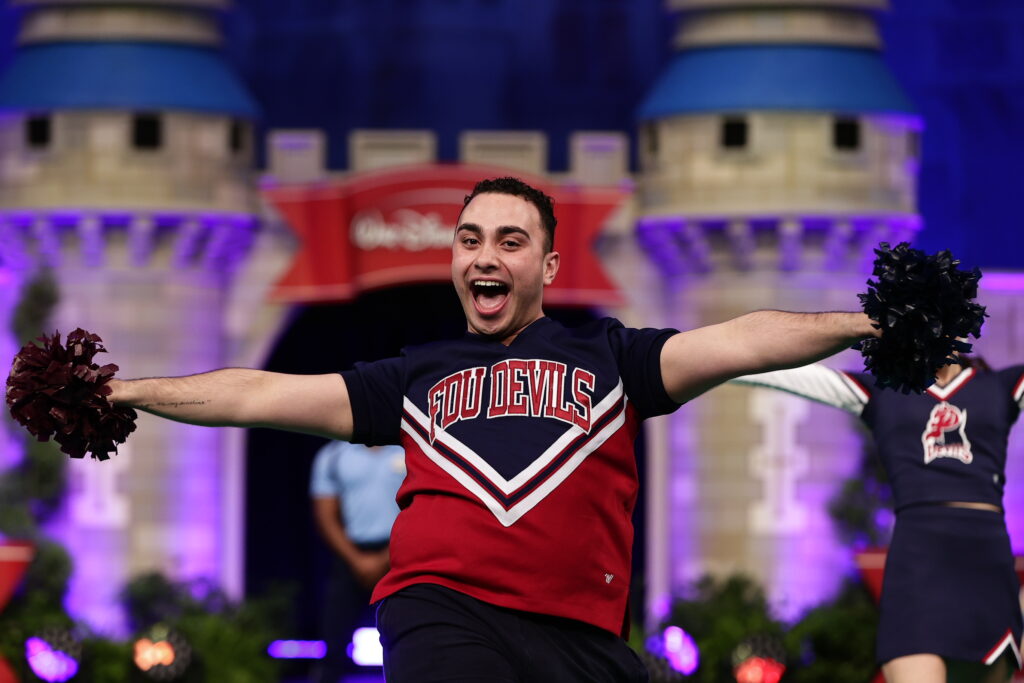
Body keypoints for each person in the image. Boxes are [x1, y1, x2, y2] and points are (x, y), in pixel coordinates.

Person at [106, 176, 888, 682]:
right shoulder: (415, 375)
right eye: (470, 238)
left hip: (582, 635)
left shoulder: (613, 357)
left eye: (510, 241)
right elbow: (256, 393)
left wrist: (874, 322)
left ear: (547, 267)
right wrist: (123, 390)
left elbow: (745, 339)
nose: (486, 255)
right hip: (441, 607)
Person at [731, 355, 1023, 683]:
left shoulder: (999, 387)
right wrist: (700, 359)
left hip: (986, 565)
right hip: (918, 563)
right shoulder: (885, 389)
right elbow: (781, 372)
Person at [309, 439, 405, 683]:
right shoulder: (333, 455)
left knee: (407, 636)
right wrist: (357, 559)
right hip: (351, 556)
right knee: (334, 637)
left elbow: (421, 508)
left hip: (400, 554)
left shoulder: (409, 452)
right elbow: (325, 514)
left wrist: (386, 556)